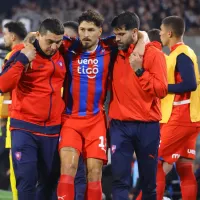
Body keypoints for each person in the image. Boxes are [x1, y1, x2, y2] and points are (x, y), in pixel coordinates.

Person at [57, 10, 146, 200]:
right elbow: (41, 36)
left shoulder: (108, 47)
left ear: (100, 31)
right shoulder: (68, 45)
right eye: (82, 29)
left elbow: (139, 34)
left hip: (96, 121)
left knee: (94, 173)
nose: (85, 34)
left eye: (90, 30)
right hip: (70, 119)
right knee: (68, 168)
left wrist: (143, 41)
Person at [0, 18, 66, 200]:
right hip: (24, 128)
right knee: (26, 181)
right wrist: (22, 59)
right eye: (49, 41)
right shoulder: (21, 53)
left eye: (58, 42)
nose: (54, 46)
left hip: (52, 131)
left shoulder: (63, 53)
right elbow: (3, 84)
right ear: (39, 35)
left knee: (50, 184)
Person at [108, 11, 167, 200]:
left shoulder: (154, 55)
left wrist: (139, 70)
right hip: (120, 125)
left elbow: (161, 90)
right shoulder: (113, 52)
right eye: (115, 34)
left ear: (134, 32)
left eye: (121, 34)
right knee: (119, 180)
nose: (117, 39)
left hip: (147, 126)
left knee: (149, 182)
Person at [157, 16, 200, 200]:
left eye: (161, 30)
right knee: (185, 168)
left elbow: (190, 84)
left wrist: (163, 88)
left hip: (180, 118)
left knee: (154, 165)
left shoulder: (181, 54)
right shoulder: (184, 52)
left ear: (169, 33)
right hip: (191, 118)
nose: (159, 33)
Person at [0, 21, 27, 200]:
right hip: (32, 121)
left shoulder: (14, 54)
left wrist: (3, 114)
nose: (3, 37)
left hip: (16, 119)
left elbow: (5, 87)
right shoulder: (31, 51)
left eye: (5, 33)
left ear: (13, 36)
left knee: (18, 170)